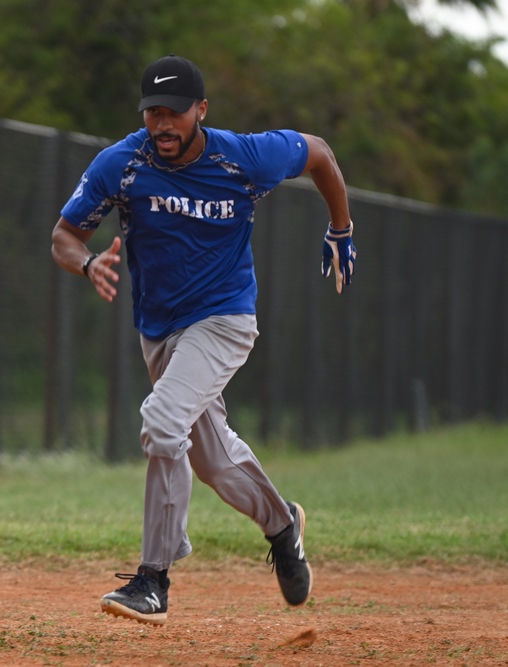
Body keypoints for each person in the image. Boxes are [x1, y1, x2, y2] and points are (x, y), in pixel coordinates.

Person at [51, 55, 357, 626]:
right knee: (212, 460)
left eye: (175, 112)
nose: (163, 124)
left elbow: (318, 152)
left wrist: (341, 227)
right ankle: (282, 523)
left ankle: (153, 578)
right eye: (153, 113)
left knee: (162, 422)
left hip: (224, 318)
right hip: (160, 330)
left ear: (201, 110)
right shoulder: (121, 164)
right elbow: (65, 234)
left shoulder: (243, 157)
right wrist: (87, 262)